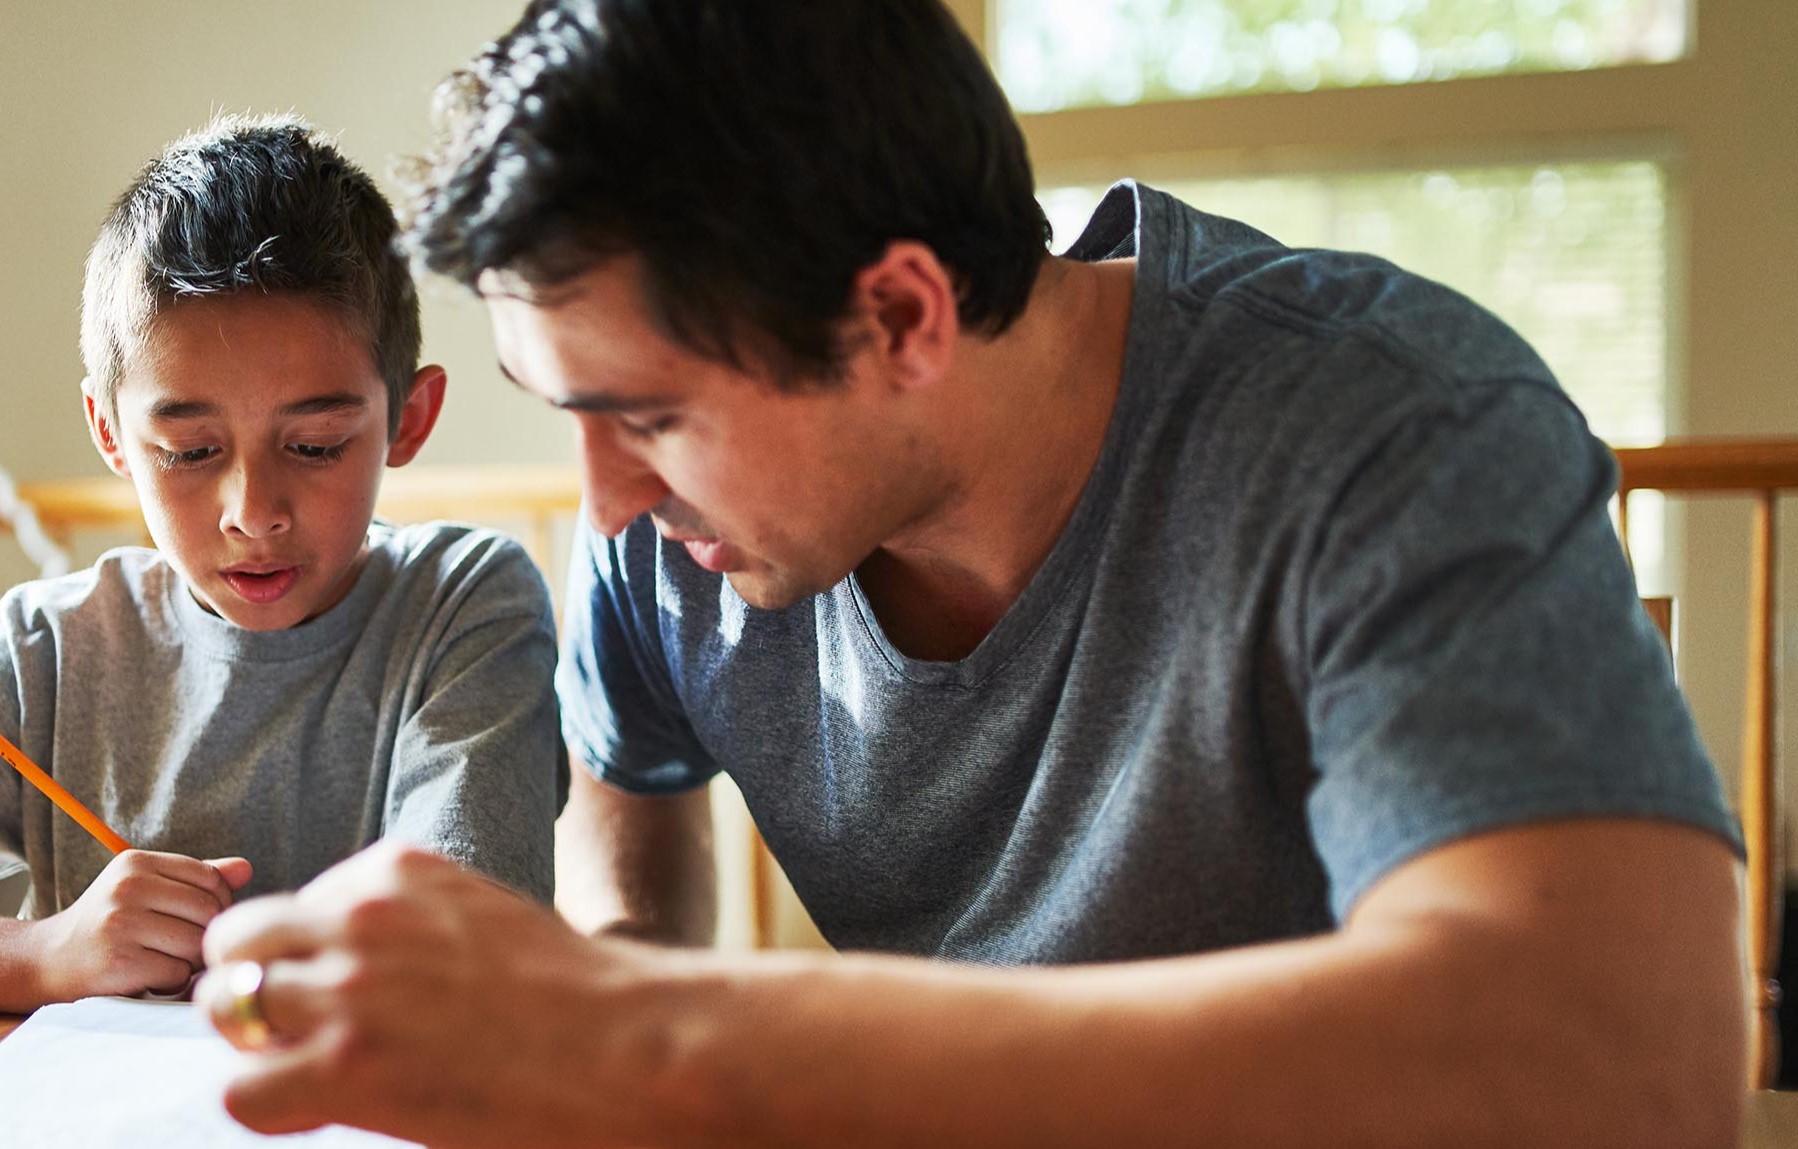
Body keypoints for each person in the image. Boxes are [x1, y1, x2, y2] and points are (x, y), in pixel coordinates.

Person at [197, 4, 1746, 1147]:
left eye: (652, 417)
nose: (607, 504)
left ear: (901, 316)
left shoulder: (1387, 427)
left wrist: (655, 1037)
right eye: (574, 419)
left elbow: (1632, 1064)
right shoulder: (667, 555)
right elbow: (631, 909)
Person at [0, 114, 563, 1011]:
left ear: (408, 420)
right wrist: (43, 952)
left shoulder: (464, 605)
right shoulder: (40, 652)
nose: (253, 514)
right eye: (189, 452)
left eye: (315, 444)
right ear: (111, 433)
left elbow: (469, 934)